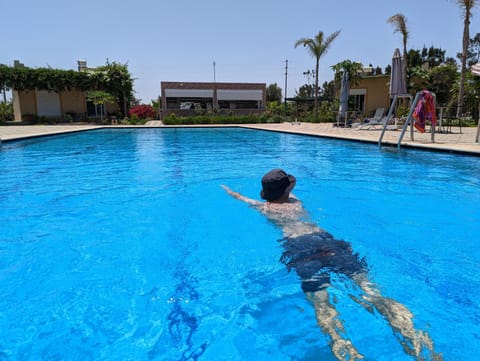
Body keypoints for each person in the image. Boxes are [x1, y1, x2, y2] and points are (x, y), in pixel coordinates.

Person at [222, 169, 443, 361]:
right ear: (288, 189)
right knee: (370, 291)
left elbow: (245, 199)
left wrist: (232, 193)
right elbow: (289, 187)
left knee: (322, 304)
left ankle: (344, 348)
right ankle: (416, 340)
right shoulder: (296, 201)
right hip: (329, 241)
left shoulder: (266, 208)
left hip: (300, 249)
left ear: (266, 194)